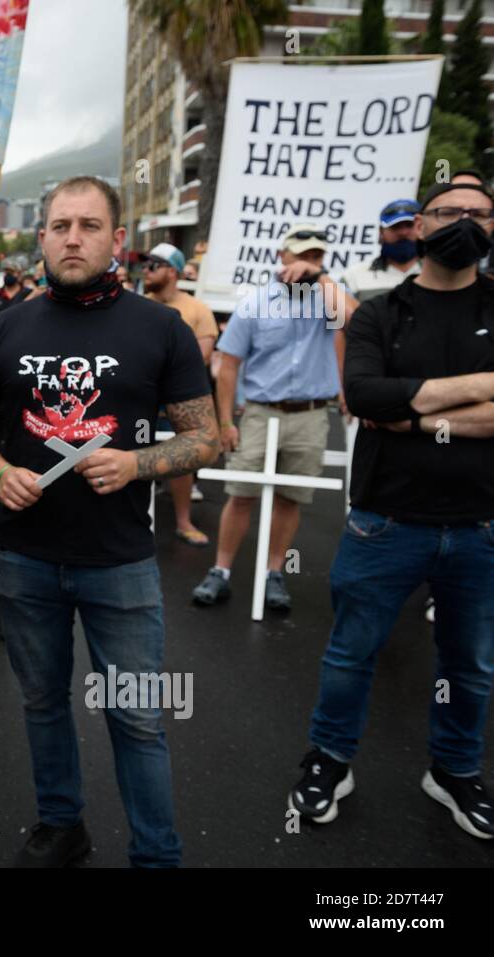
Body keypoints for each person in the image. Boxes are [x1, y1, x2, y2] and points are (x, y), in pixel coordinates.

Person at [0, 176, 220, 868]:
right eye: (61, 224)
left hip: (120, 563)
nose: (74, 237)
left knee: (135, 717)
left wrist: (135, 464)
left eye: (90, 225)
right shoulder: (6, 328)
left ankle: (157, 854)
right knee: (42, 704)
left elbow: (206, 439)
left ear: (117, 240)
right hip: (24, 560)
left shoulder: (161, 327)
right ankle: (61, 825)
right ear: (39, 236)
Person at [287, 181, 494, 839]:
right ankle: (330, 759)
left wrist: (417, 410)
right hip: (384, 521)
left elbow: (392, 405)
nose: (462, 222)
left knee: (472, 661)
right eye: (446, 212)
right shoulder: (378, 312)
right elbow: (365, 397)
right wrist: (481, 392)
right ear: (419, 224)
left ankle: (456, 771)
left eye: (479, 213)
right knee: (351, 652)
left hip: (481, 524)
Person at [192, 224, 358, 612]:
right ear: (282, 257)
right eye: (301, 256)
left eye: (316, 257)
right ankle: (221, 571)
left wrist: (320, 278)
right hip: (261, 414)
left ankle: (274, 573)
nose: (308, 264)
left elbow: (356, 319)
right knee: (241, 494)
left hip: (310, 415)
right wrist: (225, 423)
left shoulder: (328, 301)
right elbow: (229, 365)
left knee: (290, 497)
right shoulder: (255, 302)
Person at [143, 242, 218, 547]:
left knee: (179, 462)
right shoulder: (136, 305)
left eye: (153, 266)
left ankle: (183, 522)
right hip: (142, 400)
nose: (146, 272)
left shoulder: (198, 309)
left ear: (171, 272)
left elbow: (200, 357)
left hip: (176, 402)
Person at [340, 199, 421, 303]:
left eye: (409, 225)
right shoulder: (353, 276)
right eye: (395, 227)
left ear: (421, 228)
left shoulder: (441, 272)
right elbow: (339, 316)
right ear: (381, 232)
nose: (403, 232)